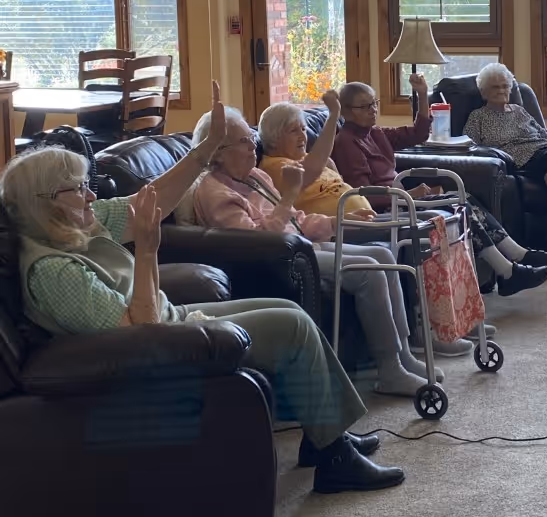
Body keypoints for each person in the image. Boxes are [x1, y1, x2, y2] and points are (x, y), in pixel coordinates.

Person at [0, 85, 403, 495]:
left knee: (289, 310)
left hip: (171, 316)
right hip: (160, 337)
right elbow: (140, 328)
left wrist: (201, 151)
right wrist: (146, 253)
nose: (91, 196)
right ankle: (335, 459)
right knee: (291, 326)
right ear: (46, 201)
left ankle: (325, 440)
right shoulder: (54, 272)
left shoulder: (71, 225)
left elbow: (151, 199)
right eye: (80, 189)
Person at [193, 104, 435, 397]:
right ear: (217, 151)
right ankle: (390, 370)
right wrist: (291, 194)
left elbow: (299, 219)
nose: (252, 147)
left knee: (382, 255)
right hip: (283, 260)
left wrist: (338, 222)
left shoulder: (255, 177)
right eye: (243, 141)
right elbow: (258, 243)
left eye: (250, 138)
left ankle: (403, 355)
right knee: (368, 273)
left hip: (303, 247)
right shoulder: (214, 193)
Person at [332, 73, 547, 309]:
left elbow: (417, 134)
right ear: (346, 111)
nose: (373, 110)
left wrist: (421, 93)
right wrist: (410, 195)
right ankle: (510, 269)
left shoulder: (375, 133)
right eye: (365, 106)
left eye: (374, 104)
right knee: (459, 205)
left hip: (401, 199)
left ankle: (514, 260)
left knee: (464, 200)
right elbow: (364, 194)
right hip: (388, 208)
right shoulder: (347, 142)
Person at [462, 63, 547, 246]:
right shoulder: (478, 117)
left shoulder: (519, 111)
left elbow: (544, 134)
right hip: (518, 157)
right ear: (483, 92)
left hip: (543, 150)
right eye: (495, 87)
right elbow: (468, 145)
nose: (501, 90)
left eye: (505, 86)